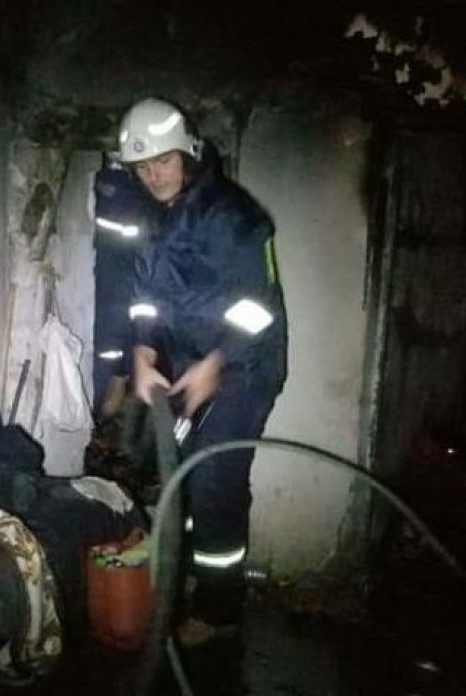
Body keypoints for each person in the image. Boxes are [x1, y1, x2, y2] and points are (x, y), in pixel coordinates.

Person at [118, 97, 288, 645]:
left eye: (162, 160)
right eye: (142, 167)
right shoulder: (153, 216)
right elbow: (145, 297)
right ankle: (192, 572)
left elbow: (259, 306)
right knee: (187, 473)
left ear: (188, 152)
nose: (153, 175)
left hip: (245, 367)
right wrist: (143, 352)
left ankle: (219, 610)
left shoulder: (234, 216)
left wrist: (218, 361)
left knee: (215, 478)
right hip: (191, 364)